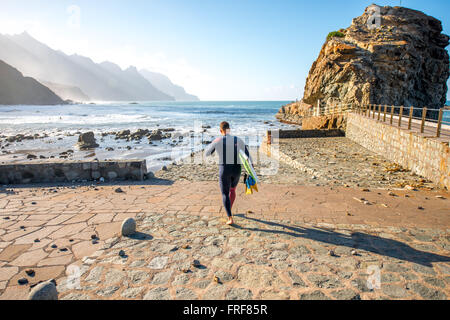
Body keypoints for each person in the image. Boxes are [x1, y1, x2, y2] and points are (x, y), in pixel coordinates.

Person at [205, 121, 252, 225]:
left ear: (220, 130)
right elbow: (248, 155)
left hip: (224, 169)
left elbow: (207, 153)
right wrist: (251, 169)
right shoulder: (238, 140)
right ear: (229, 129)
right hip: (236, 169)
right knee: (233, 190)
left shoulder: (218, 140)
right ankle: (229, 209)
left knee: (225, 193)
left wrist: (214, 143)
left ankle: (230, 218)